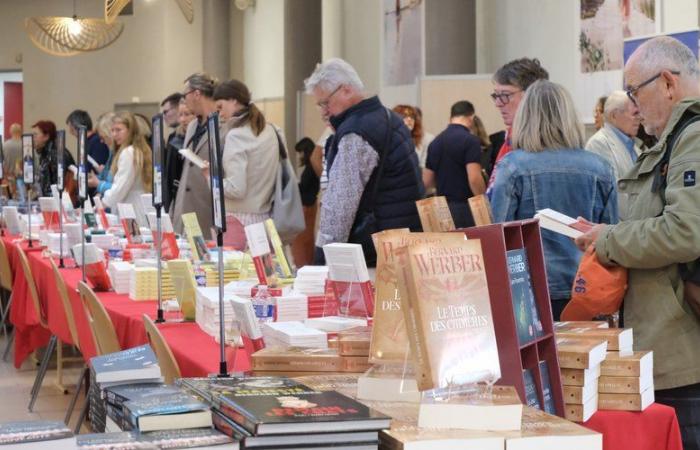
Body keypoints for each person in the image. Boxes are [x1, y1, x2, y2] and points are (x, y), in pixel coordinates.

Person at [575, 36, 700, 450]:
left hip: (680, 346)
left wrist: (608, 239)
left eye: (635, 91)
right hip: (666, 338)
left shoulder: (692, 139)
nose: (632, 105)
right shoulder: (673, 141)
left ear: (667, 83)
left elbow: (684, 231)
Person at [490, 80, 617, 319]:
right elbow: (611, 235)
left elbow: (499, 236)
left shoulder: (513, 166)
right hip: (588, 288)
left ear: (525, 117)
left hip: (531, 291)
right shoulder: (601, 168)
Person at [304, 58, 423, 266]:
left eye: (325, 103)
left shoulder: (357, 133)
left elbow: (341, 206)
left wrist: (323, 259)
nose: (323, 111)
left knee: (383, 300)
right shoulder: (387, 117)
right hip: (402, 243)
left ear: (346, 90)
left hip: (374, 252)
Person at [208, 79, 279, 248]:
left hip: (239, 222)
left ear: (234, 101)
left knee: (234, 275)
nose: (219, 114)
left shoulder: (236, 136)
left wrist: (211, 178)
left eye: (220, 107)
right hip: (265, 220)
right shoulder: (270, 130)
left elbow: (236, 189)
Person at [487, 58, 549, 195]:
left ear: (531, 95)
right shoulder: (511, 136)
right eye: (496, 95)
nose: (498, 103)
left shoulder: (545, 142)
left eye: (504, 95)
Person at [423, 101, 485, 228]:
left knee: (450, 247)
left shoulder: (435, 142)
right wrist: (483, 202)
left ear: (451, 118)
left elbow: (427, 181)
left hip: (441, 208)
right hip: (465, 208)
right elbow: (474, 178)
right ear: (471, 118)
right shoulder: (470, 141)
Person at [171, 73, 218, 239]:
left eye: (186, 95)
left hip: (207, 206)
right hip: (184, 206)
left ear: (197, 94)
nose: (185, 100)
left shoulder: (221, 126)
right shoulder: (192, 127)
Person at [585, 90, 642, 219]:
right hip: (619, 229)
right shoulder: (598, 144)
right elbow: (617, 196)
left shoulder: (636, 148)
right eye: (635, 113)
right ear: (614, 115)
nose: (640, 118)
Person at [100, 111, 153, 226]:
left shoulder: (128, 152)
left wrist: (102, 203)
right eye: (112, 130)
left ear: (130, 130)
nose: (114, 134)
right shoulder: (138, 149)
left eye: (118, 130)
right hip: (136, 206)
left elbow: (121, 186)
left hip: (131, 209)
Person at [66, 110, 110, 193]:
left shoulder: (97, 142)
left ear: (75, 127)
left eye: (71, 128)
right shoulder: (85, 142)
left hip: (97, 189)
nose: (71, 132)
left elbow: (96, 169)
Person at [292, 137, 320, 266]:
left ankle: (303, 264)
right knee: (307, 238)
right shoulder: (312, 166)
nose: (300, 156)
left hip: (306, 205)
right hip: (310, 204)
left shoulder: (310, 168)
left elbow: (304, 187)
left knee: (301, 239)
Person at [31, 120, 76, 197]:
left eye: (35, 135)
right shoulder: (45, 153)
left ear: (46, 137)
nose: (32, 138)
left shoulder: (56, 154)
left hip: (61, 201)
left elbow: (57, 184)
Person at [161, 93, 185, 213]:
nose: (164, 116)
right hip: (173, 200)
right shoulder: (172, 137)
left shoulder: (187, 138)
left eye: (166, 112)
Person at [392, 104, 434, 168]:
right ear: (395, 119)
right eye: (404, 116)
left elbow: (424, 167)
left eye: (412, 117)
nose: (409, 119)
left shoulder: (425, 139)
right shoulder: (388, 139)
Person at [89, 112, 116, 198]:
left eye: (103, 137)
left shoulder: (123, 154)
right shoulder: (112, 152)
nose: (101, 141)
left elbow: (118, 188)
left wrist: (97, 184)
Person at [3, 123, 22, 199]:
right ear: (21, 131)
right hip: (23, 179)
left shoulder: (5, 145)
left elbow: (2, 163)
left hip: (8, 178)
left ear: (10, 132)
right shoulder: (25, 144)